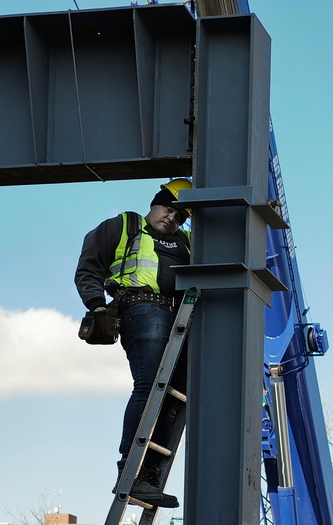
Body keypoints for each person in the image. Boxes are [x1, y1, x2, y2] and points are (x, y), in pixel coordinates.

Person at [75, 179, 192, 508]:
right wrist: (97, 305)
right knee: (151, 384)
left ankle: (150, 477)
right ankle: (130, 471)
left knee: (176, 396)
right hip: (142, 309)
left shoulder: (188, 241)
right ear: (156, 203)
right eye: (168, 208)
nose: (171, 217)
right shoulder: (126, 225)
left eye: (180, 215)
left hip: (181, 319)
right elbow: (89, 265)